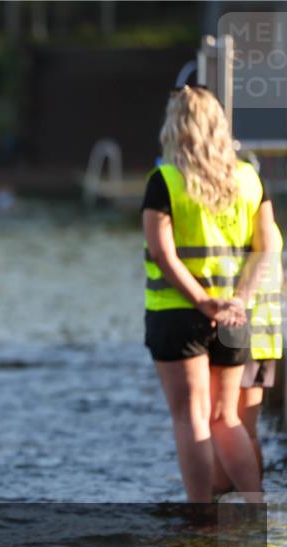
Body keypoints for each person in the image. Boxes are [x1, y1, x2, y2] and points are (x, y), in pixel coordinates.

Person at [142, 85, 277, 502]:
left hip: (178, 311)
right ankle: (255, 504)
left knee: (192, 419)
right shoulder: (248, 178)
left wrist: (202, 301)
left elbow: (162, 253)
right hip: (235, 316)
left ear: (175, 126)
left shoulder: (165, 179)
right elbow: (268, 247)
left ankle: (200, 516)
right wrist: (239, 299)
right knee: (226, 418)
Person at [230, 221, 283, 491]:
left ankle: (237, 496)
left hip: (240, 335)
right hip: (266, 336)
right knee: (246, 429)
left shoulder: (247, 228)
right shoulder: (270, 230)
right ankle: (254, 494)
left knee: (226, 424)